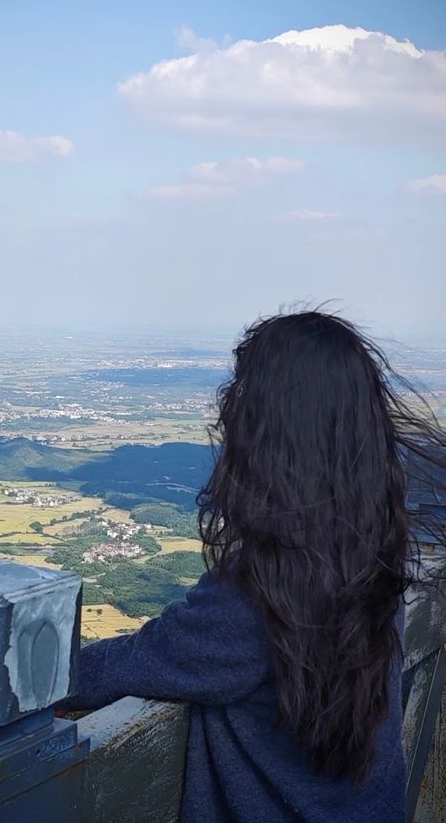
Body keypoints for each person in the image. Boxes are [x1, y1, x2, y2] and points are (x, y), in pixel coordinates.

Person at [64, 310, 446, 822]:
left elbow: (128, 663)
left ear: (267, 436)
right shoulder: (373, 556)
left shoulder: (256, 593)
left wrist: (29, 677)